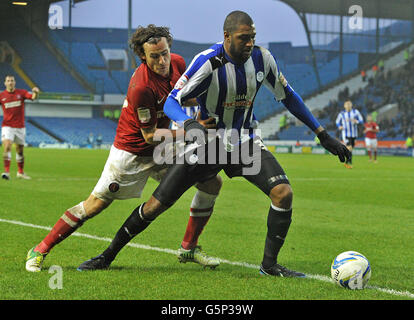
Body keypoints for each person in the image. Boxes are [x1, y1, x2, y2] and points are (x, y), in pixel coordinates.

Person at [80, 11, 351, 277]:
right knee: (155, 206)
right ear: (227, 36)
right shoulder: (207, 63)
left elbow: (289, 97)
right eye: (244, 38)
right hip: (208, 143)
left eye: (253, 37)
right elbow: (173, 101)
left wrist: (322, 134)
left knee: (283, 193)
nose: (249, 44)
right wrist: (189, 124)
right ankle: (107, 256)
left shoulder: (263, 59)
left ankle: (270, 266)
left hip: (244, 141)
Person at [25, 24, 222, 272]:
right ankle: (40, 248)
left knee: (211, 182)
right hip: (132, 152)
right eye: (155, 56)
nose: (163, 60)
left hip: (165, 148)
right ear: (142, 56)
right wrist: (192, 129)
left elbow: (183, 96)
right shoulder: (141, 86)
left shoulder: (178, 63)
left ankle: (189, 247)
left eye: (165, 53)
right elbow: (149, 136)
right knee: (95, 205)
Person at [1, 75, 39, 180]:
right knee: (7, 146)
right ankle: (6, 172)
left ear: (15, 82)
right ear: (5, 83)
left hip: (20, 127)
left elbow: (32, 97)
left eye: (12, 80)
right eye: (8, 81)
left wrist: (35, 92)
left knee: (20, 151)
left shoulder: (21, 93)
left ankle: (20, 172)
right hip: (7, 126)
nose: (10, 82)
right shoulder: (2, 96)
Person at [335, 100, 364, 168]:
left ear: (351, 105)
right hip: (346, 133)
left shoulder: (355, 112)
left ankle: (349, 160)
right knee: (349, 147)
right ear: (344, 106)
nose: (348, 105)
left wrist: (356, 121)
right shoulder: (342, 113)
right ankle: (347, 162)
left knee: (351, 148)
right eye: (346, 104)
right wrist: (339, 126)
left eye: (349, 104)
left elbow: (361, 120)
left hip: (354, 134)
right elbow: (337, 121)